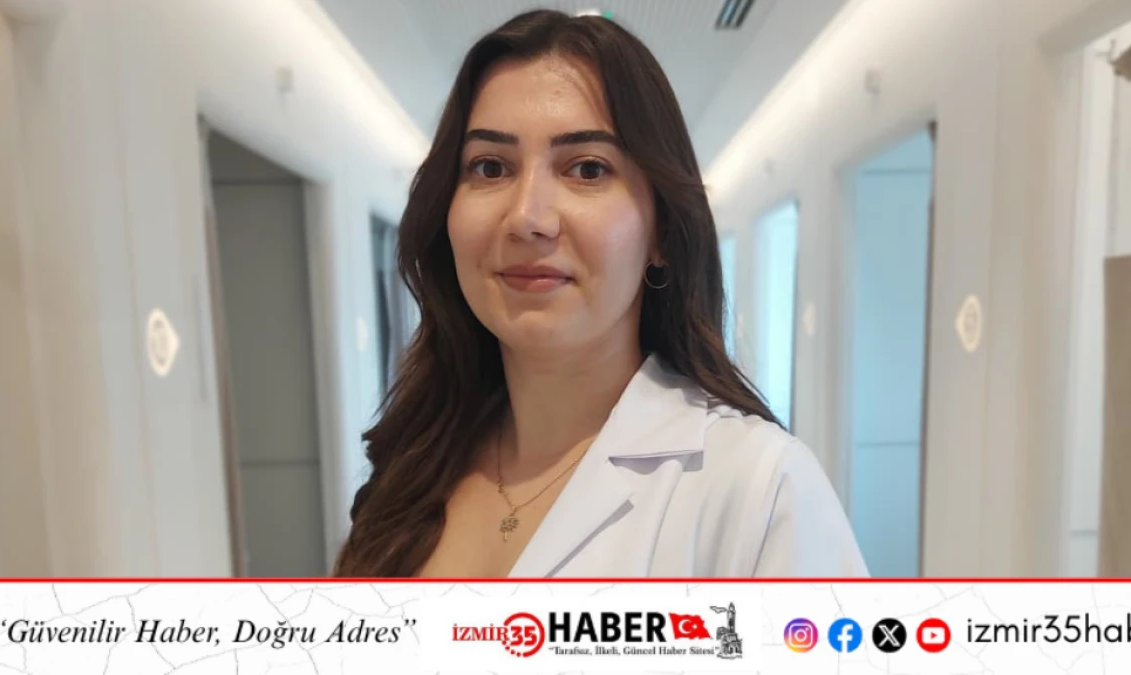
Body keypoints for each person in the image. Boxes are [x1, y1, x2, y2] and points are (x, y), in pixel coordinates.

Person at [333, 9, 865, 578]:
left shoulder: (759, 488)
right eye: (490, 167)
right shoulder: (413, 464)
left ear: (661, 230)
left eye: (587, 169)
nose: (527, 217)